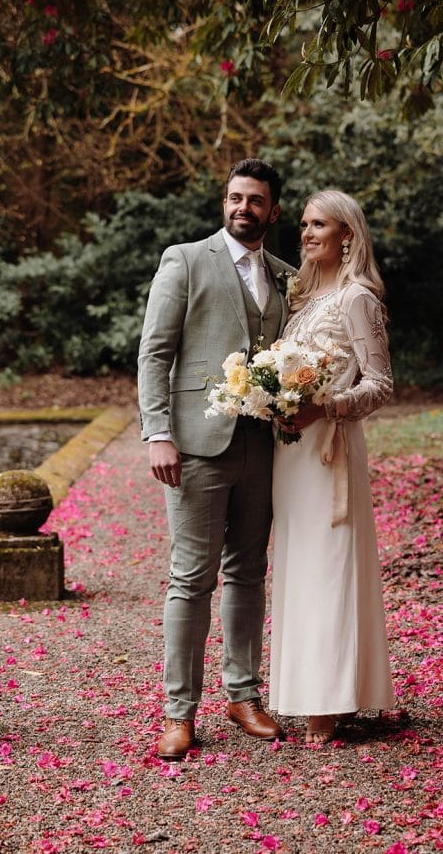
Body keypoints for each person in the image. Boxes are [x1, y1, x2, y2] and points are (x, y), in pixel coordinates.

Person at [138, 158, 297, 759]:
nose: (242, 209)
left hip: (261, 445)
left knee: (249, 573)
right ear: (223, 201)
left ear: (272, 210)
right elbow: (155, 353)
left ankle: (243, 695)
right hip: (195, 446)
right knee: (190, 579)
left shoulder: (286, 276)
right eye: (235, 197)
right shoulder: (184, 260)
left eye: (255, 200)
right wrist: (158, 432)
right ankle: (179, 712)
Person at [268, 189, 395, 744]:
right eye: (303, 224)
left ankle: (332, 697)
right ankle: (304, 688)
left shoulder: (356, 298)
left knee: (330, 565)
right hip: (290, 453)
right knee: (298, 566)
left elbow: (381, 384)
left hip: (332, 450)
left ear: (348, 233)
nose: (307, 232)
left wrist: (328, 406)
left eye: (320, 224)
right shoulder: (300, 300)